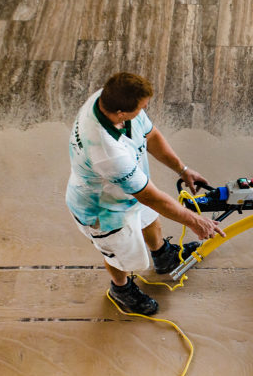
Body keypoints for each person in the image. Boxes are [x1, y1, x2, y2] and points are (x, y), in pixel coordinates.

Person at [66, 72, 225, 315]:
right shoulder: (106, 151)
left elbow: (151, 136)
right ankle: (121, 289)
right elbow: (150, 197)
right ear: (121, 113)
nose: (145, 109)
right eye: (142, 107)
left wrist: (183, 170)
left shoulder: (107, 99)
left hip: (131, 189)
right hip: (103, 209)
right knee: (119, 254)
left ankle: (163, 257)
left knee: (150, 220)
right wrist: (196, 221)